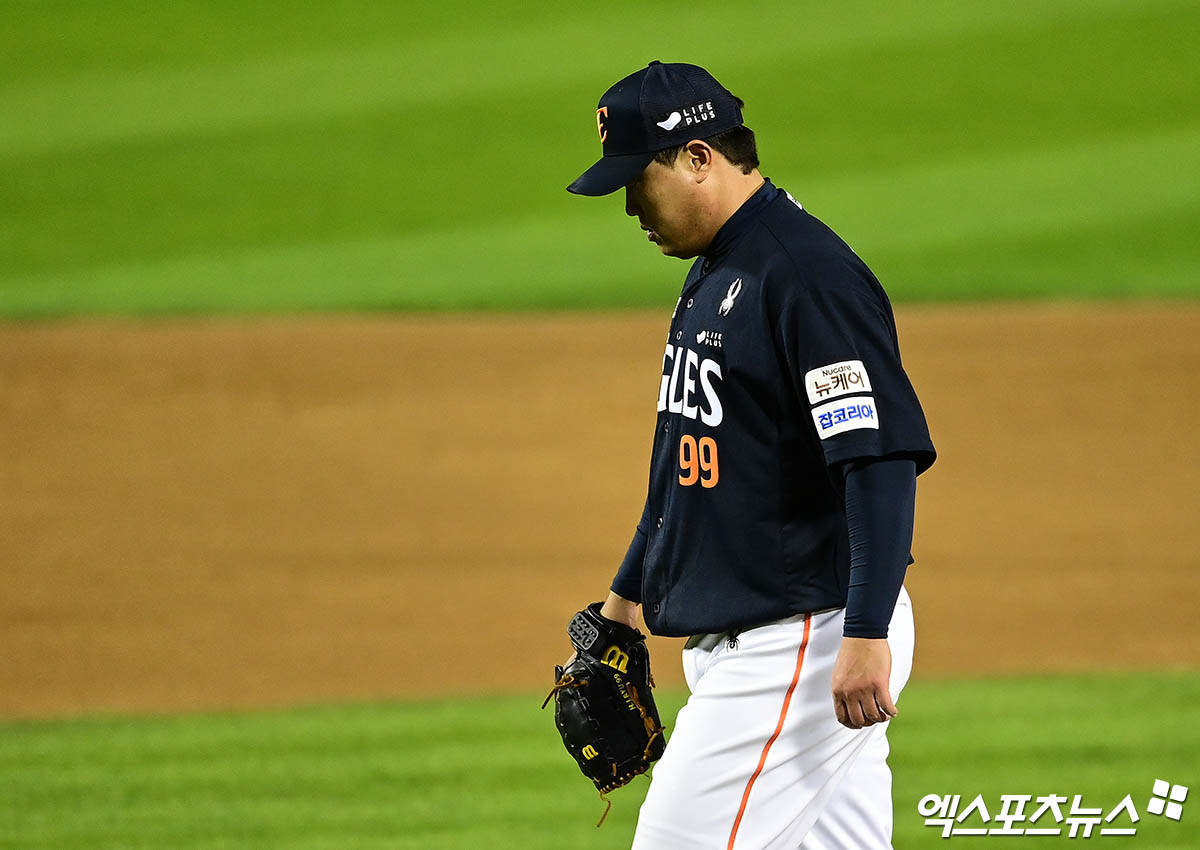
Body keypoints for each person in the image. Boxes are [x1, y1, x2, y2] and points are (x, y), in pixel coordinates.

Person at [565, 61, 936, 849]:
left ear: (699, 157)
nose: (630, 206)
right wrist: (624, 601)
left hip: (803, 642)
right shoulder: (717, 268)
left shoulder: (806, 276)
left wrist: (866, 632)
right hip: (765, 638)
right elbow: (686, 469)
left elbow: (877, 460)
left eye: (638, 182)